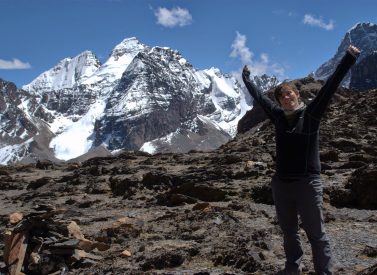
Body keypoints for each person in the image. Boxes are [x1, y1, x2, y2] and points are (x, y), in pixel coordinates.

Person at [242, 45, 360, 275]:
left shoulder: (312, 114)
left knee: (316, 233)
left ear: (297, 94)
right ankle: (292, 268)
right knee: (289, 231)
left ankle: (323, 271)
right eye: (281, 95)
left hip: (307, 183)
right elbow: (259, 97)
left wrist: (349, 57)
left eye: (289, 93)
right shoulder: (277, 116)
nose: (286, 98)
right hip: (282, 184)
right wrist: (246, 79)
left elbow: (330, 86)